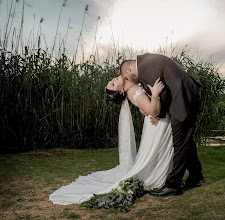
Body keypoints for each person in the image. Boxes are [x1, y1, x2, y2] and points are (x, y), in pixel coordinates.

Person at [49, 75, 174, 205]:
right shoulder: (132, 92)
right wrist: (154, 97)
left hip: (155, 122)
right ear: (121, 92)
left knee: (158, 150)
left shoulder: (131, 87)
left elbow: (146, 105)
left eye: (111, 82)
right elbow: (152, 109)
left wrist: (147, 109)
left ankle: (161, 175)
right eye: (112, 85)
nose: (112, 80)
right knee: (157, 149)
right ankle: (158, 178)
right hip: (157, 124)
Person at [120, 53, 204, 196]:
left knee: (179, 143)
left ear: (128, 70)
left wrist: (158, 114)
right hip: (187, 95)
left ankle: (173, 185)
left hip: (182, 99)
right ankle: (196, 176)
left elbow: (162, 91)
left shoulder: (145, 67)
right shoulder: (146, 62)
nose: (128, 80)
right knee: (186, 140)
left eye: (126, 77)